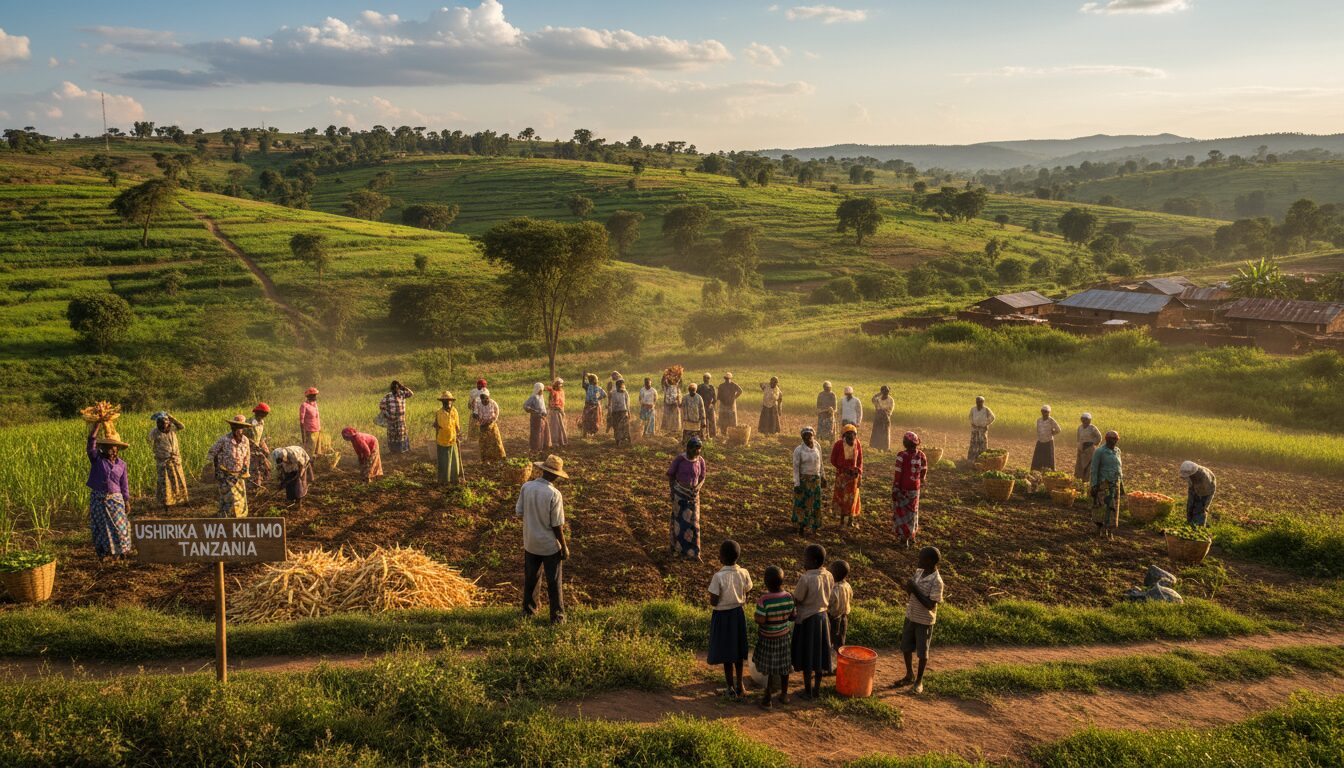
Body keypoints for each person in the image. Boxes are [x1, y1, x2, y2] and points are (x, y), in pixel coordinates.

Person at [518, 454, 570, 624]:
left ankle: (528, 611)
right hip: (548, 546)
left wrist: (533, 523)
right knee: (554, 582)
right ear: (555, 475)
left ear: (542, 470)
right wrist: (563, 546)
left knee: (531, 578)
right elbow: (557, 525)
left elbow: (520, 512)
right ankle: (557, 618)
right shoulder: (554, 494)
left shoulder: (526, 487)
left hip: (530, 542)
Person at [893, 546, 943, 695]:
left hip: (924, 620)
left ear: (930, 562)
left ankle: (919, 681)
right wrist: (909, 588)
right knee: (906, 647)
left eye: (921, 559)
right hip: (911, 615)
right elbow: (911, 594)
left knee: (922, 652)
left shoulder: (937, 581)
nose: (918, 561)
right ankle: (909, 674)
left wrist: (914, 589)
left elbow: (930, 604)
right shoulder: (919, 573)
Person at [707, 539, 753, 701]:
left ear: (722, 558)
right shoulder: (744, 573)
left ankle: (730, 688)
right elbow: (748, 591)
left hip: (722, 617)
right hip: (738, 615)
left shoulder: (718, 576)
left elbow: (714, 600)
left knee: (727, 654)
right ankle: (740, 685)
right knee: (738, 652)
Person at [791, 543, 835, 700]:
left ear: (814, 561)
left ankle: (807, 691)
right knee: (819, 656)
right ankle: (816, 689)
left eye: (806, 559)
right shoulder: (829, 575)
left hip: (807, 620)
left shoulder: (806, 578)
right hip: (823, 619)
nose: (804, 562)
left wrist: (791, 602)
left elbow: (798, 598)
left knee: (807, 656)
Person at [86, 422, 132, 560]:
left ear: (117, 449)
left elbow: (124, 484)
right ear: (102, 448)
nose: (111, 450)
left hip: (116, 500)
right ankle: (104, 553)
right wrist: (96, 426)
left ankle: (122, 551)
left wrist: (127, 500)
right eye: (108, 447)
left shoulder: (122, 464)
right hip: (99, 499)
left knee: (120, 526)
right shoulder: (97, 460)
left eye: (113, 447)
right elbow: (90, 445)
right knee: (101, 528)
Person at [753, 565, 796, 709]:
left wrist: (756, 617)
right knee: (784, 666)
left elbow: (761, 620)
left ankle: (767, 698)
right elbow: (793, 617)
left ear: (765, 582)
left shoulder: (764, 599)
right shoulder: (789, 597)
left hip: (768, 637)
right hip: (783, 637)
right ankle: (784, 694)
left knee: (771, 669)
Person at [667, 436, 707, 561]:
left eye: (699, 449)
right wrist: (673, 491)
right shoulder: (680, 459)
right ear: (688, 448)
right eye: (695, 449)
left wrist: (698, 488)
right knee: (680, 523)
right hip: (680, 494)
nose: (697, 452)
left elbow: (702, 477)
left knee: (694, 525)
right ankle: (678, 550)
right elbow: (671, 475)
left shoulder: (700, 461)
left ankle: (694, 552)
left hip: (693, 496)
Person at [207, 415, 253, 517]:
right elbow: (212, 452)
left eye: (240, 427)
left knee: (240, 497)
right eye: (235, 427)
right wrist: (214, 468)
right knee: (228, 497)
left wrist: (245, 469)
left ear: (243, 429)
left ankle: (240, 517)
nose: (238, 430)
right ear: (232, 428)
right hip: (225, 474)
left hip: (239, 474)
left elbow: (247, 456)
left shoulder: (245, 440)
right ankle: (225, 518)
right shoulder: (224, 439)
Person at [892, 432, 927, 548]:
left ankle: (904, 538)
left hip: (903, 489)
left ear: (906, 443)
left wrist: (896, 488)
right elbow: (923, 471)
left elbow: (898, 473)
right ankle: (912, 536)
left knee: (902, 513)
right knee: (912, 513)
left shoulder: (902, 455)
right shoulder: (922, 455)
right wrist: (920, 479)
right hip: (915, 490)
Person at [146, 412, 187, 510]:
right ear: (158, 423)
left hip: (175, 460)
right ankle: (166, 503)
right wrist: (158, 451)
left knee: (178, 480)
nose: (163, 425)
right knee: (165, 482)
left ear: (169, 423)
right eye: (161, 423)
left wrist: (172, 418)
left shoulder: (172, 429)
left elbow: (182, 426)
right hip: (163, 462)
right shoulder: (155, 432)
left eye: (166, 422)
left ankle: (181, 500)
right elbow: (149, 441)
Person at [1089, 430, 1124, 538]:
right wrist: (1094, 485)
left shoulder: (1117, 451)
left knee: (1113, 508)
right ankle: (1098, 529)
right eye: (1111, 439)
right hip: (1104, 483)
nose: (1113, 441)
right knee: (1101, 507)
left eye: (1115, 439)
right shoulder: (1100, 451)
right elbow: (1094, 469)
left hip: (1115, 483)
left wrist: (1121, 485)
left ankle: (1110, 531)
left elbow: (1119, 469)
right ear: (1106, 439)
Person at [792, 427, 826, 536]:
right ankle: (801, 527)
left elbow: (821, 463)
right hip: (804, 480)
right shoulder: (799, 450)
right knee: (802, 504)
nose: (808, 438)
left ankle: (814, 528)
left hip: (815, 480)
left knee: (815, 504)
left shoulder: (817, 446)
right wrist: (797, 484)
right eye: (805, 436)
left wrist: (823, 477)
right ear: (802, 437)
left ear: (813, 435)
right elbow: (796, 468)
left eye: (809, 436)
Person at [830, 424, 864, 528]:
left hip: (853, 476)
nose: (851, 436)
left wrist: (858, 470)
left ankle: (850, 520)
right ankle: (841, 520)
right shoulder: (839, 444)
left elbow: (860, 460)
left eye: (853, 433)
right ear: (844, 435)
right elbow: (833, 459)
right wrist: (842, 469)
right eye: (848, 433)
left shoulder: (857, 444)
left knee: (852, 498)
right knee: (841, 497)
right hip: (842, 475)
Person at [433, 391, 462, 485]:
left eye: (449, 401)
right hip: (442, 440)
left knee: (454, 461)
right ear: (442, 402)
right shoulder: (439, 413)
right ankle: (444, 480)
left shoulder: (454, 411)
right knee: (444, 462)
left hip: (453, 439)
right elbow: (437, 426)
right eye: (445, 401)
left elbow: (457, 425)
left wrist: (459, 434)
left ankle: (455, 479)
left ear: (451, 402)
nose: (447, 403)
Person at [271, 446, 313, 510]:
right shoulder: (275, 454)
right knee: (288, 482)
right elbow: (279, 468)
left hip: (302, 462)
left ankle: (298, 501)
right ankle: (291, 499)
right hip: (290, 466)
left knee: (298, 482)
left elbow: (302, 465)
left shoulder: (294, 455)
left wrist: (299, 474)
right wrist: (282, 480)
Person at [379, 380, 414, 454]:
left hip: (401, 420)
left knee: (401, 434)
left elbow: (411, 393)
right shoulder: (388, 396)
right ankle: (393, 451)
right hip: (391, 420)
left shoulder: (402, 394)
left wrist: (403, 387)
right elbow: (381, 405)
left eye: (396, 388)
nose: (395, 390)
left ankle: (402, 450)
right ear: (392, 389)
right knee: (392, 435)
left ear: (399, 388)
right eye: (393, 388)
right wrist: (386, 414)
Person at [828, 560, 853, 662]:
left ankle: (828, 666)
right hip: (844, 617)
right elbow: (850, 597)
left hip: (832, 618)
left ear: (834, 574)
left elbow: (828, 603)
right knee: (840, 643)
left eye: (830, 570)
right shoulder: (847, 586)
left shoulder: (833, 589)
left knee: (829, 642)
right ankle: (839, 666)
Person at [246, 402, 272, 493]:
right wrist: (257, 448)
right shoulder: (249, 423)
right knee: (255, 467)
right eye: (263, 413)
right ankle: (252, 487)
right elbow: (247, 439)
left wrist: (264, 447)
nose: (264, 416)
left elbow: (259, 438)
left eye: (266, 414)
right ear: (258, 412)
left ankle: (260, 483)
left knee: (266, 464)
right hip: (248, 448)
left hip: (256, 446)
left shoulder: (261, 422)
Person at [1181, 461, 1217, 526]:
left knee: (1201, 508)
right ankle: (1189, 522)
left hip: (1207, 490)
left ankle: (1198, 526)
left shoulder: (1204, 476)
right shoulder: (1190, 473)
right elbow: (1190, 484)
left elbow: (1203, 493)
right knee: (1190, 505)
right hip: (1194, 487)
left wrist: (1196, 499)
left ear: (1192, 473)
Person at [299, 387, 326, 468]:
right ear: (308, 396)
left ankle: (314, 467)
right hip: (309, 431)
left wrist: (320, 429)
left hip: (317, 430)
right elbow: (301, 421)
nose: (315, 397)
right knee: (309, 451)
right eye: (313, 395)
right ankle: (307, 468)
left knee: (317, 451)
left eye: (315, 395)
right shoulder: (304, 405)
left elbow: (317, 418)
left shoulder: (315, 405)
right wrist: (303, 435)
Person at [1032, 405, 1062, 471]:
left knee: (1049, 458)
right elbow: (1038, 429)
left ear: (1049, 412)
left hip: (1048, 441)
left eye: (1046, 412)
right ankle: (1037, 470)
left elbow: (1058, 429)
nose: (1044, 413)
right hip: (1040, 441)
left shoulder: (1051, 420)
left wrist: (1053, 433)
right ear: (1041, 412)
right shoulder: (1039, 420)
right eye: (1043, 411)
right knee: (1038, 457)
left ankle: (1049, 470)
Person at [477, 392, 506, 462]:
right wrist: (482, 421)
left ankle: (499, 458)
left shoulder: (493, 403)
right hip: (483, 426)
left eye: (487, 398)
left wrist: (493, 420)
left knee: (496, 441)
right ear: (481, 399)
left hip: (492, 424)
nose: (486, 400)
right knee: (484, 443)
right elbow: (479, 414)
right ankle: (486, 460)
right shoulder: (479, 405)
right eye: (484, 399)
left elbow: (497, 411)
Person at [523, 382, 551, 453]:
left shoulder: (541, 396)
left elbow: (543, 407)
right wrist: (533, 410)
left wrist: (545, 413)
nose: (542, 391)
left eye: (542, 389)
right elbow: (525, 406)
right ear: (537, 389)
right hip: (536, 418)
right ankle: (535, 448)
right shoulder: (533, 397)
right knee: (536, 433)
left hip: (542, 418)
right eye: (541, 389)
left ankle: (541, 446)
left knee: (542, 432)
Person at [1075, 413, 1102, 482]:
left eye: (1086, 419)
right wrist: (1079, 446)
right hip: (1081, 449)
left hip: (1089, 450)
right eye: (1083, 419)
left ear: (1090, 420)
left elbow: (1099, 437)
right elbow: (1078, 438)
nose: (1084, 421)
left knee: (1088, 466)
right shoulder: (1080, 428)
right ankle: (1079, 480)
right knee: (1079, 466)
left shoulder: (1092, 428)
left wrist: (1092, 443)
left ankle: (1086, 481)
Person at [968, 396, 996, 461]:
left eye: (980, 402)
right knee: (974, 442)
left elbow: (992, 417)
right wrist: (972, 423)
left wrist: (986, 423)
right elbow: (970, 417)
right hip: (975, 429)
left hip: (982, 429)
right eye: (977, 402)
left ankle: (982, 458)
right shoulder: (973, 409)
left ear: (982, 402)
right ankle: (972, 458)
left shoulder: (986, 409)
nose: (978, 403)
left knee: (982, 443)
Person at [870, 386, 894, 451]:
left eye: (887, 391)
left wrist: (883, 412)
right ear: (882, 392)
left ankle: (885, 447)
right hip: (878, 417)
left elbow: (890, 410)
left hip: (885, 418)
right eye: (885, 391)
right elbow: (872, 399)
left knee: (885, 433)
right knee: (877, 432)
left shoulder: (890, 400)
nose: (886, 392)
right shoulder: (878, 398)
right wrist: (879, 394)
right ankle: (878, 448)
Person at [610, 378, 632, 446]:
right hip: (616, 412)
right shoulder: (613, 393)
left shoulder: (625, 392)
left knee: (625, 426)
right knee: (616, 427)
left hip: (623, 411)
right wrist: (612, 412)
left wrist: (629, 412)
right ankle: (618, 441)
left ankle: (628, 439)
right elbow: (613, 403)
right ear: (616, 386)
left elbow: (627, 403)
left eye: (621, 385)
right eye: (619, 386)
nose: (620, 387)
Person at [548, 379, 568, 448]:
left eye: (561, 384)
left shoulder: (562, 391)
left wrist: (561, 409)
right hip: (555, 411)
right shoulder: (553, 392)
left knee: (561, 426)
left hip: (561, 410)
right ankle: (555, 442)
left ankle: (561, 440)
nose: (561, 386)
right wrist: (557, 408)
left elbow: (562, 402)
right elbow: (552, 403)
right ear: (556, 385)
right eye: (559, 384)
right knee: (555, 427)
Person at [699, 374, 718, 439]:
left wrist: (712, 404)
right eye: (705, 378)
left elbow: (715, 398)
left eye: (707, 378)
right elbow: (715, 398)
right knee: (708, 421)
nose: (706, 379)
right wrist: (712, 404)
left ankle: (707, 435)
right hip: (705, 406)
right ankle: (708, 435)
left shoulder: (700, 387)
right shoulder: (710, 387)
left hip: (706, 406)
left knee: (707, 421)